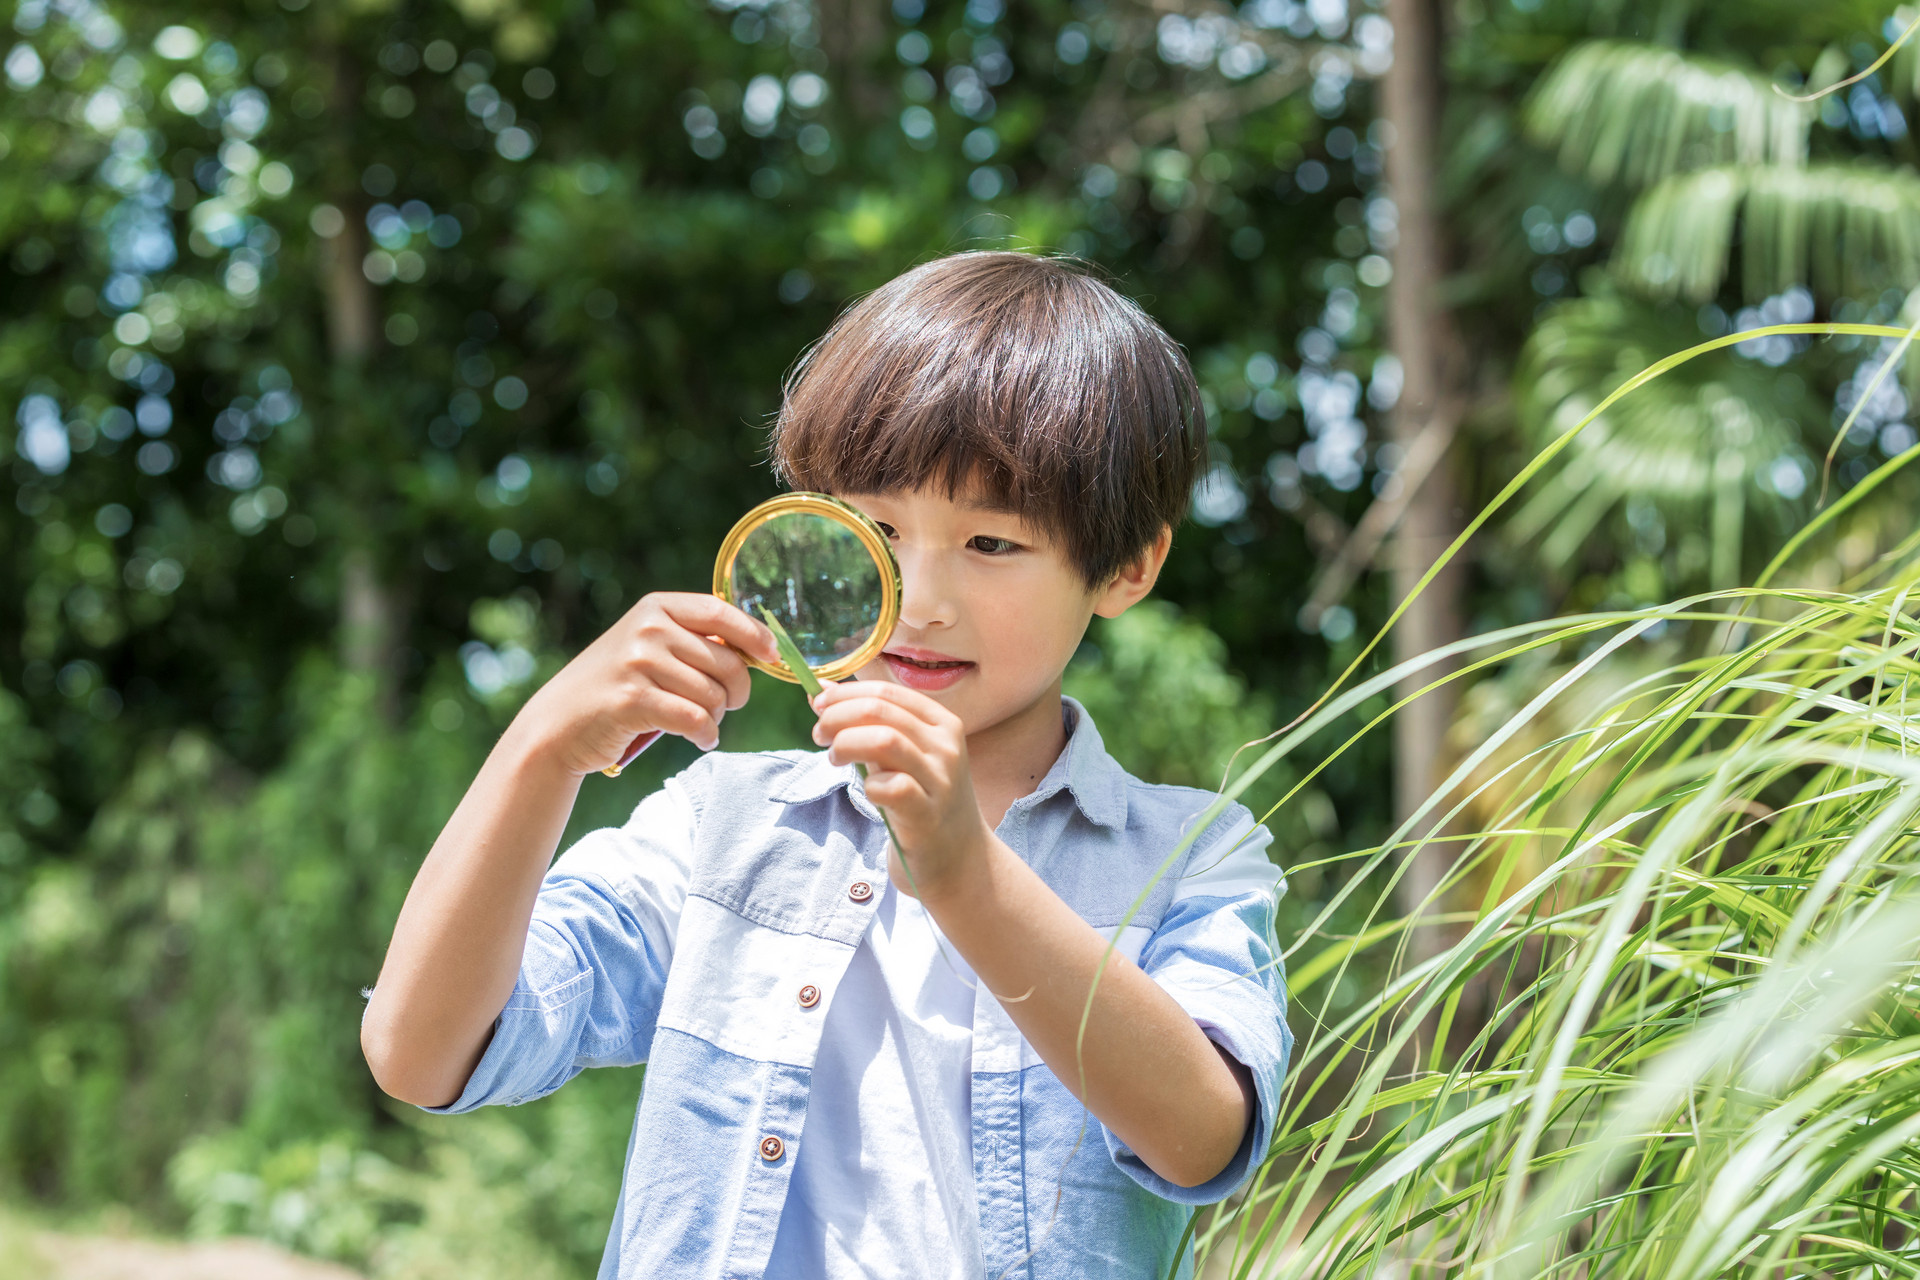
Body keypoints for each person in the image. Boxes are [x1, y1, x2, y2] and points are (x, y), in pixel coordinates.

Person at [359, 250, 1290, 1279]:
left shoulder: (1190, 852)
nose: (921, 596)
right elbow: (423, 1051)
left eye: (990, 543)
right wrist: (541, 749)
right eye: (879, 529)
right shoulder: (722, 823)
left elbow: (1206, 1137)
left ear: (1128, 566)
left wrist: (966, 878)